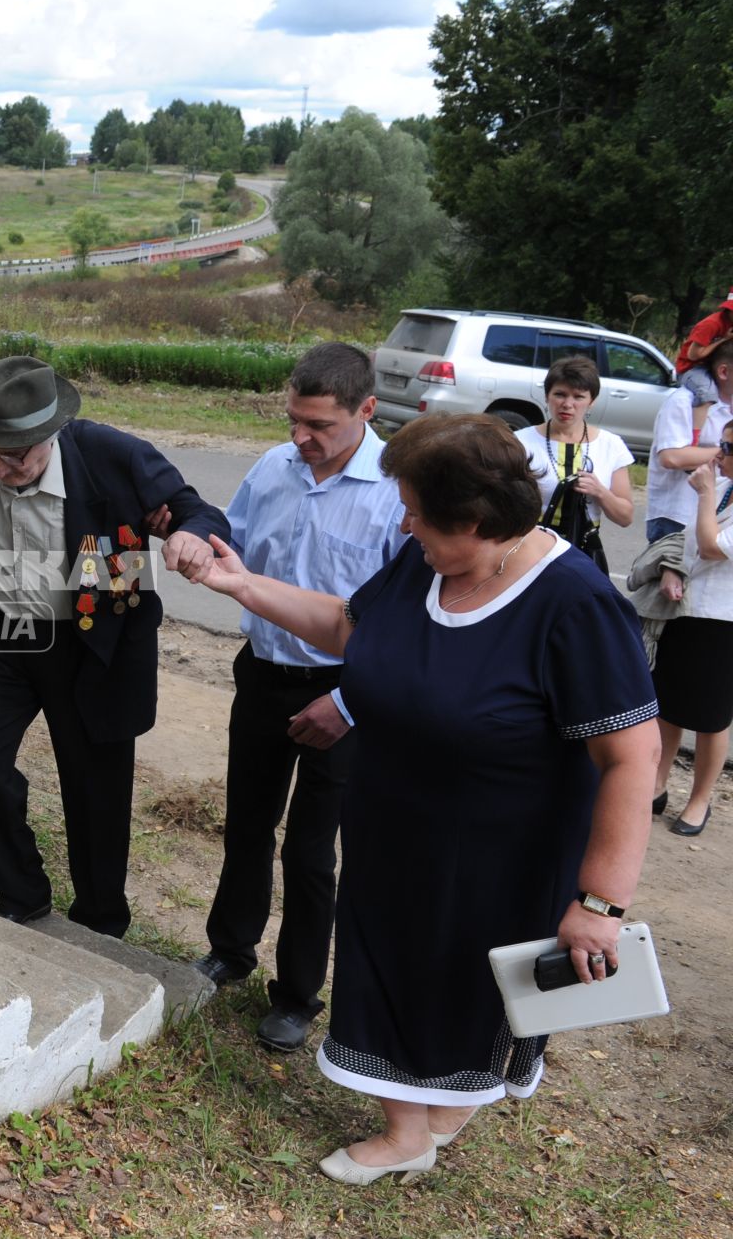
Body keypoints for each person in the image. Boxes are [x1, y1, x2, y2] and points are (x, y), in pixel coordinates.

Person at [186, 412, 658, 1186]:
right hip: (393, 825)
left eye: (416, 511)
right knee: (387, 965)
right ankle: (408, 1129)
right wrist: (243, 585)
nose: (402, 522)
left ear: (475, 521)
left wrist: (601, 902)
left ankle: (436, 1116)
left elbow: (631, 755)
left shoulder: (572, 601)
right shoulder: (426, 564)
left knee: (468, 981)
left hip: (506, 855)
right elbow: (349, 628)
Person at [0, 356, 228, 937]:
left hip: (94, 641)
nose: (0, 467)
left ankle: (100, 921)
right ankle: (21, 891)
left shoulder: (111, 455)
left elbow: (198, 510)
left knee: (95, 790)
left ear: (49, 432)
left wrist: (188, 537)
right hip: (5, 633)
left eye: (16, 455)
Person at [188, 342, 405, 1054]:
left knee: (312, 851)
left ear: (366, 412)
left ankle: (297, 995)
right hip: (264, 674)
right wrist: (198, 535)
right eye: (293, 420)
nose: (301, 438)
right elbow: (232, 534)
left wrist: (349, 701)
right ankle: (230, 951)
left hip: (347, 696)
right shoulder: (272, 467)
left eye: (320, 425)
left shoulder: (397, 492)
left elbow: (405, 616)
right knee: (247, 824)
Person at [652, 412, 733, 837]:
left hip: (724, 620)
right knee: (668, 701)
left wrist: (703, 494)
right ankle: (658, 782)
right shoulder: (722, 486)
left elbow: (712, 546)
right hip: (686, 610)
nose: (721, 455)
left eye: (730, 449)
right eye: (722, 444)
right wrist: (671, 570)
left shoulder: (711, 490)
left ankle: (700, 800)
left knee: (711, 716)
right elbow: (686, 542)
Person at [515, 356, 634, 564]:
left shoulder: (611, 445)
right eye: (559, 394)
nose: (567, 404)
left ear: (592, 402)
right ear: (546, 396)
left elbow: (625, 517)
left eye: (578, 397)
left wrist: (600, 492)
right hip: (528, 550)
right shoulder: (520, 442)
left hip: (581, 554)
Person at [646, 318, 733, 542]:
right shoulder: (684, 401)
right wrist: (726, 451)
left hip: (717, 516)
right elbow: (672, 457)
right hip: (676, 516)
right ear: (724, 372)